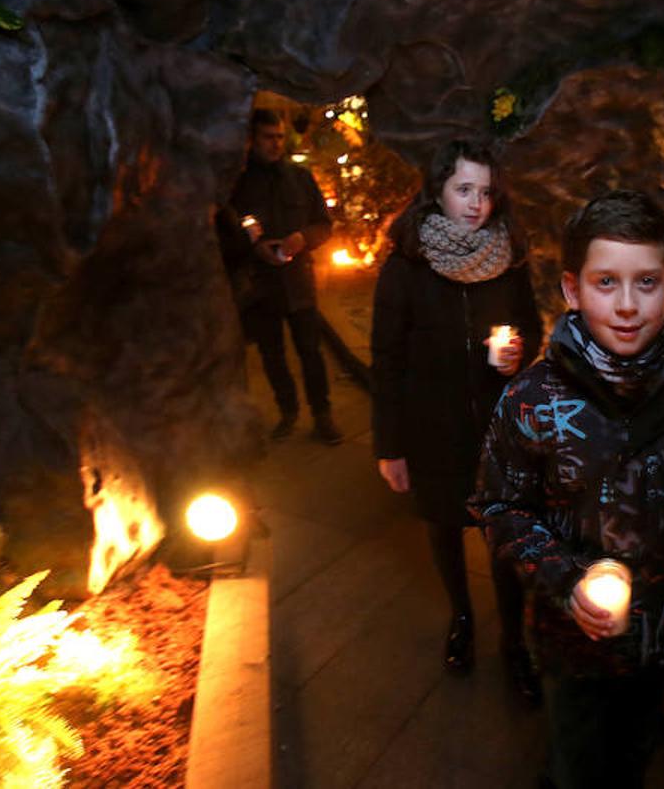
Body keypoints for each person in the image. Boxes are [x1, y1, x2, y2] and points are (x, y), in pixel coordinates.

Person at [470, 189, 664, 788]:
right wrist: (563, 577)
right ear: (572, 290)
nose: (627, 305)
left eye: (646, 283)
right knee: (575, 762)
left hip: (663, 629)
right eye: (606, 283)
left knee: (632, 756)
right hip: (570, 641)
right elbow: (501, 507)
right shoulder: (532, 400)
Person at [370, 139, 543, 699]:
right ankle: (462, 619)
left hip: (498, 432)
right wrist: (390, 446)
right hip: (432, 431)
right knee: (445, 529)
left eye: (486, 191)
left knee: (505, 539)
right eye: (464, 189)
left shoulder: (508, 262)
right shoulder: (406, 268)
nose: (476, 203)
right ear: (438, 190)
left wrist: (519, 351)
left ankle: (514, 643)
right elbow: (386, 359)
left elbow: (529, 327)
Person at [229, 108, 342, 445]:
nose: (276, 144)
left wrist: (302, 238)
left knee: (310, 351)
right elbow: (228, 230)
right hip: (260, 286)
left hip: (298, 283)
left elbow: (324, 224)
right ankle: (288, 411)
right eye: (268, 137)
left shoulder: (300, 177)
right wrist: (255, 247)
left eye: (279, 137)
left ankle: (322, 415)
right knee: (272, 355)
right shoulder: (238, 184)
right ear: (252, 139)